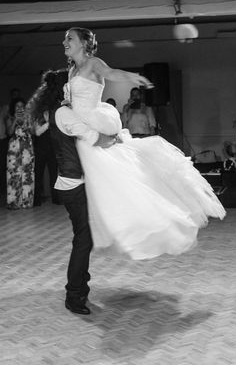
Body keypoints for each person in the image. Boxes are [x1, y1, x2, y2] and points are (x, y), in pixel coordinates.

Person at [60, 27, 226, 260]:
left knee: (120, 182)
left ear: (84, 44)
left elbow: (112, 72)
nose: (64, 41)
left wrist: (131, 77)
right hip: (82, 129)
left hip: (94, 122)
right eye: (65, 38)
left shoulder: (92, 63)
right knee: (106, 187)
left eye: (70, 38)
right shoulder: (72, 69)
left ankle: (151, 219)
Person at [28, 70, 118, 315]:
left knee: (84, 238)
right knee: (83, 240)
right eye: (70, 86)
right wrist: (116, 139)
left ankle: (79, 289)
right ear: (63, 89)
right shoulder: (63, 113)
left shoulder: (59, 111)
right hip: (73, 185)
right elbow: (93, 138)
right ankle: (74, 294)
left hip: (73, 183)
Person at [5, 98, 35, 209]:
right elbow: (8, 132)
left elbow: (33, 132)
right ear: (14, 108)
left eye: (22, 106)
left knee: (27, 174)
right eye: (17, 106)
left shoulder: (29, 117)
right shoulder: (10, 118)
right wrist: (15, 121)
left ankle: (27, 201)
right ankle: (14, 201)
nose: (20, 108)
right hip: (14, 149)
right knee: (14, 174)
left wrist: (26, 121)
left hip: (27, 148)